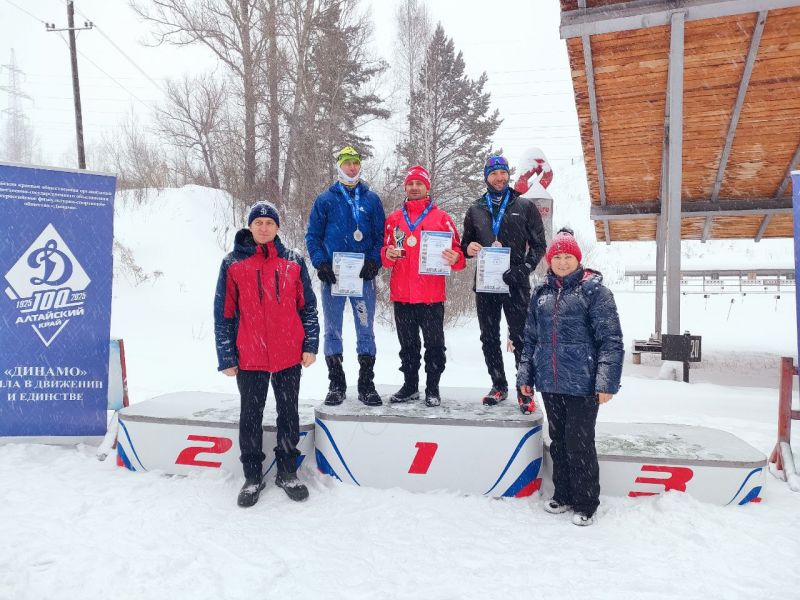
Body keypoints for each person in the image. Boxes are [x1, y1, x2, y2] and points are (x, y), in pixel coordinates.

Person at [214, 201, 319, 508]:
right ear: (249, 226)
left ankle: (287, 471)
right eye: (258, 223)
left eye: (269, 223)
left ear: (277, 227)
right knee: (250, 415)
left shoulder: (293, 261)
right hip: (249, 353)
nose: (263, 227)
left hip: (288, 351)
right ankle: (252, 475)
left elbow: (308, 307)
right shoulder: (233, 263)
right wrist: (226, 356)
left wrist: (310, 344)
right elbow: (223, 313)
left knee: (289, 413)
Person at [517, 228, 624, 526]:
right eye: (557, 257)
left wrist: (605, 382)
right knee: (558, 441)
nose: (562, 262)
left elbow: (611, 341)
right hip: (550, 382)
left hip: (583, 384)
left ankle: (586, 502)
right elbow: (531, 339)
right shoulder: (541, 294)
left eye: (568, 257)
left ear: (578, 259)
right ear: (549, 260)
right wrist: (526, 376)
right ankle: (563, 494)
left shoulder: (594, 293)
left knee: (580, 442)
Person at [461, 154, 547, 408]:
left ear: (508, 175)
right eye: (493, 174)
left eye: (503, 173)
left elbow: (539, 245)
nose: (499, 178)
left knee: (521, 337)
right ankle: (498, 385)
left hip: (516, 283)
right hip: (486, 283)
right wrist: (469, 249)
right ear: (486, 177)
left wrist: (524, 269)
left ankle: (525, 389)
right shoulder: (476, 208)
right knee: (488, 337)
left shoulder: (525, 206)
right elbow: (465, 244)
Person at [305, 146, 386, 407]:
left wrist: (374, 260)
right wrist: (320, 263)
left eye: (355, 163)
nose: (352, 167)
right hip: (334, 276)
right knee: (332, 329)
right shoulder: (325, 199)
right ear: (339, 166)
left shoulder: (371, 200)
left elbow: (380, 236)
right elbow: (313, 236)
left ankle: (366, 384)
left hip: (363, 276)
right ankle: (336, 383)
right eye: (347, 163)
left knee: (365, 328)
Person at [381, 165, 466, 407]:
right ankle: (410, 387)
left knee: (435, 346)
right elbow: (384, 255)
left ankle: (432, 388)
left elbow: (459, 255)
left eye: (419, 183)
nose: (415, 187)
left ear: (427, 187)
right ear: (405, 187)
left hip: (431, 296)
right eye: (410, 183)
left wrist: (456, 258)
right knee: (408, 347)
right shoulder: (394, 219)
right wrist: (387, 254)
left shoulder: (442, 219)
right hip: (403, 295)